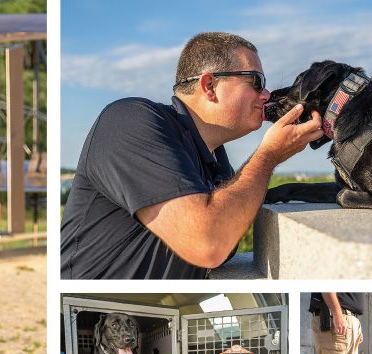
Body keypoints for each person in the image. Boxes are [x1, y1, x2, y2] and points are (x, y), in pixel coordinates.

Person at [60, 32, 324, 279]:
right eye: (256, 82)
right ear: (209, 85)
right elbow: (208, 244)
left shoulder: (216, 161)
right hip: (87, 313)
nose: (266, 94)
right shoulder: (130, 120)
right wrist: (268, 156)